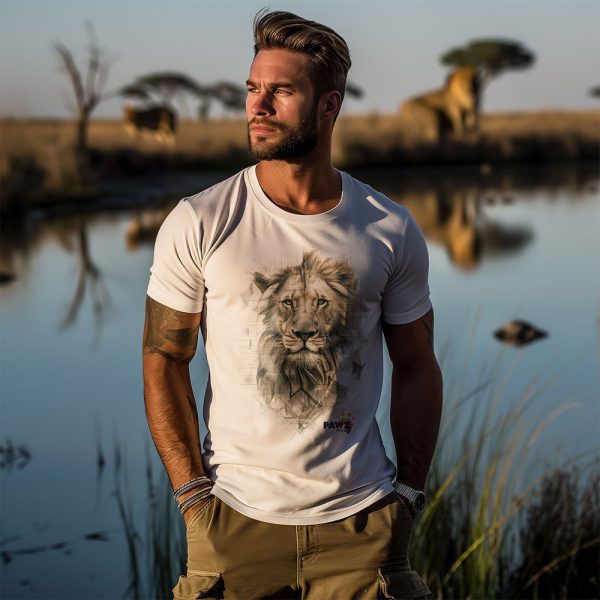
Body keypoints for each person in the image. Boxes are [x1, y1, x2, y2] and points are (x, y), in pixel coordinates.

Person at [142, 10, 442, 600]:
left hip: (363, 529)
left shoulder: (388, 228)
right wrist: (192, 496)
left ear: (329, 106)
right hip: (232, 523)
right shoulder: (200, 219)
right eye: (253, 89)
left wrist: (406, 496)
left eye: (280, 91)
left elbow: (418, 364)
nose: (258, 105)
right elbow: (162, 357)